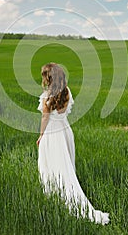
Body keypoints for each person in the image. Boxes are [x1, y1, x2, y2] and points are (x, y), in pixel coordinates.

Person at [36, 63, 110, 225]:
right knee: (66, 166)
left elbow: (45, 118)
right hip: (65, 131)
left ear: (48, 78)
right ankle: (63, 193)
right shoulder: (67, 92)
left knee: (50, 165)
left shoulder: (47, 96)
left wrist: (41, 136)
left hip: (52, 134)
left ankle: (56, 196)